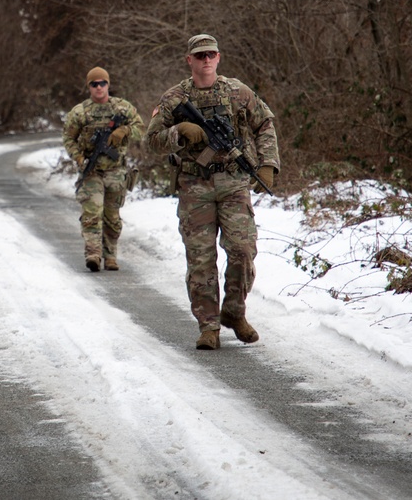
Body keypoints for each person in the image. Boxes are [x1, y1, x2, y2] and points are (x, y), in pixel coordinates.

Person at [144, 34, 280, 350]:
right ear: (189, 60)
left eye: (211, 54)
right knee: (201, 258)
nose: (206, 60)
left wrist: (268, 164)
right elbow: (152, 140)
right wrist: (180, 133)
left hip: (234, 182)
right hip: (195, 186)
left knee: (243, 250)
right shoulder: (175, 98)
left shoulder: (238, 92)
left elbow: (265, 125)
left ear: (219, 58)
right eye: (200, 55)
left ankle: (233, 312)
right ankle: (209, 327)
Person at [62, 66, 144, 272]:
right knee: (91, 213)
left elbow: (141, 129)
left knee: (112, 217)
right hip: (91, 171)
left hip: (116, 170)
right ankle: (93, 254)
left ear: (108, 84)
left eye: (102, 83)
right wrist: (79, 158)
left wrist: (124, 130)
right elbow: (68, 138)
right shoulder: (80, 112)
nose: (99, 87)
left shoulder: (122, 108)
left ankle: (110, 255)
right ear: (89, 87)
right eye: (94, 84)